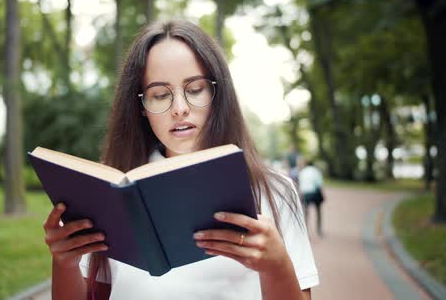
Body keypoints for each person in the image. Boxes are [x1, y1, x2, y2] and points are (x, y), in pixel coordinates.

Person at [42, 20, 319, 300]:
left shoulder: (274, 192)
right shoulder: (113, 194)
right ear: (140, 107)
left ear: (216, 92)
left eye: (195, 89)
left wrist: (276, 266)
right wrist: (64, 263)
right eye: (160, 95)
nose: (180, 108)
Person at [298, 159, 324, 237]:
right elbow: (319, 184)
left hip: (305, 193)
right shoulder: (316, 171)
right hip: (314, 192)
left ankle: (305, 230)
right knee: (318, 210)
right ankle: (319, 229)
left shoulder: (302, 172)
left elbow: (300, 184)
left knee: (306, 212)